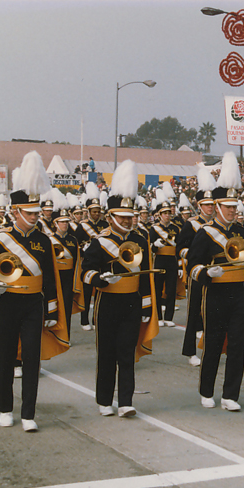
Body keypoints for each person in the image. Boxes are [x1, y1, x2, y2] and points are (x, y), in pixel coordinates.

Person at [0, 151, 68, 431]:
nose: (34, 217)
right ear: (16, 212)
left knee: (31, 358)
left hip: (33, 304)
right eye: (29, 213)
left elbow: (51, 277)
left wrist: (51, 308)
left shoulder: (43, 239)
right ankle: (5, 408)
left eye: (37, 212)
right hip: (8, 300)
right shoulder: (1, 237)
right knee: (5, 355)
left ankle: (29, 413)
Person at [81, 159, 157, 418]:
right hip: (108, 302)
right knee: (107, 354)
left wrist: (146, 303)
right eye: (122, 218)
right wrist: (100, 280)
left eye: (130, 217)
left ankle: (125, 400)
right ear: (111, 216)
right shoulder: (98, 242)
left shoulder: (140, 239)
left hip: (132, 302)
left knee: (127, 352)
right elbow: (86, 272)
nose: (127, 221)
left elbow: (146, 274)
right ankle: (104, 400)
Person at [187, 152, 244, 411]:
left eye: (234, 206)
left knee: (237, 346)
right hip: (215, 293)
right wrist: (207, 273)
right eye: (228, 206)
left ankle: (231, 395)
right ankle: (207, 391)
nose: (233, 210)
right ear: (217, 207)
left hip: (238, 293)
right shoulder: (205, 233)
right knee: (214, 343)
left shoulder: (242, 231)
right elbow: (192, 265)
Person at [177, 167, 216, 367]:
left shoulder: (218, 226)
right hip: (197, 271)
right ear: (199, 206)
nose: (210, 208)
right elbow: (180, 248)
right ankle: (190, 351)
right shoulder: (191, 225)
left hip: (216, 273)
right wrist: (192, 255)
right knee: (194, 312)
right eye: (207, 205)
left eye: (212, 204)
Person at [48, 188, 81, 335]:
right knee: (52, 305)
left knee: (66, 306)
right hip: (54, 277)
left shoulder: (73, 240)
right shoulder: (49, 240)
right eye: (62, 222)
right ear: (56, 223)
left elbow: (77, 261)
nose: (65, 225)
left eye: (66, 222)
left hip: (68, 277)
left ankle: (65, 334)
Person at [76, 182, 108, 331]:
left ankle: (96, 319)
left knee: (99, 292)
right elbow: (76, 244)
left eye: (98, 211)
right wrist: (84, 249)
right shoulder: (82, 226)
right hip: (87, 262)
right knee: (87, 292)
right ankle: (84, 320)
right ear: (88, 212)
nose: (97, 214)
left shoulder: (105, 225)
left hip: (101, 263)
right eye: (94, 211)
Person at [149, 192, 181, 327]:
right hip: (160, 260)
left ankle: (168, 317)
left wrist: (179, 265)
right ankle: (158, 316)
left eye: (169, 213)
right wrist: (155, 246)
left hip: (172, 261)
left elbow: (179, 247)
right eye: (165, 213)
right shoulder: (154, 228)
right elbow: (150, 247)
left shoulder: (175, 228)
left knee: (171, 289)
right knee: (157, 288)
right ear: (160, 215)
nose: (167, 215)